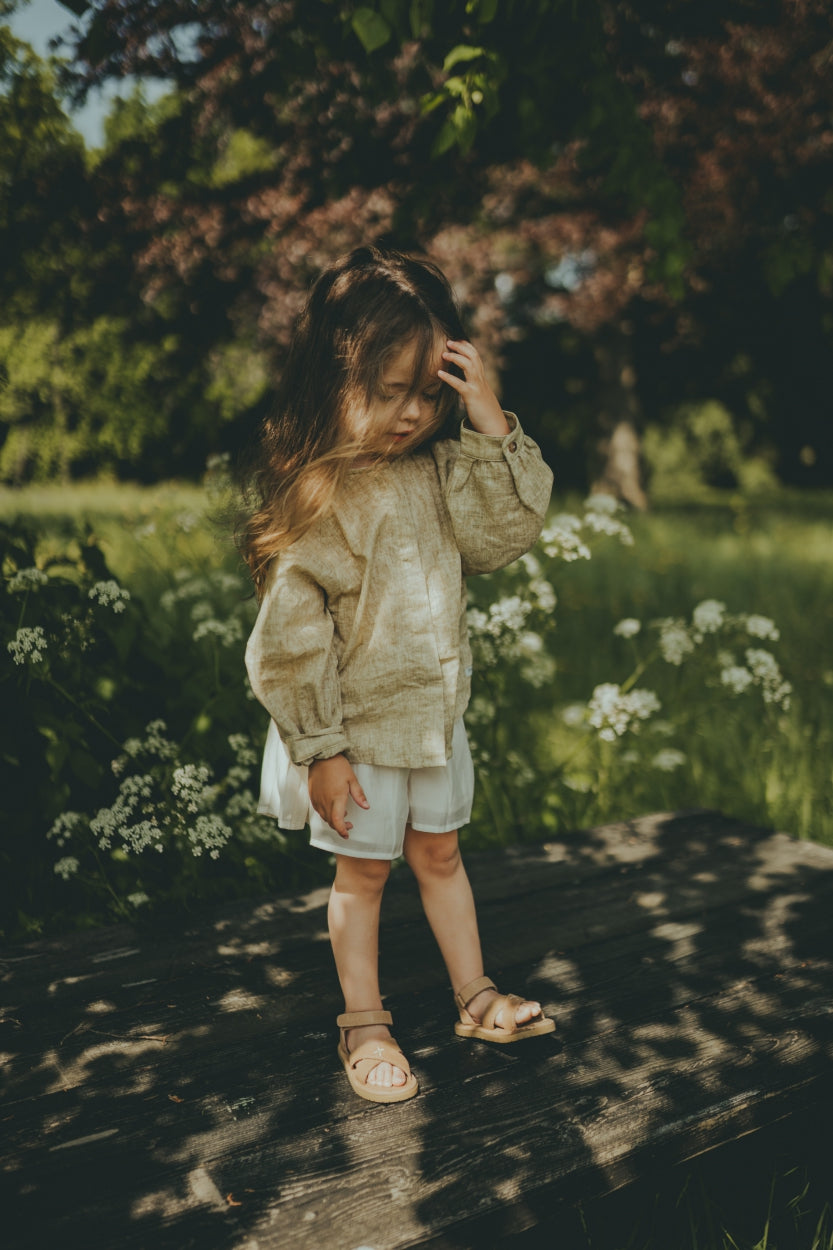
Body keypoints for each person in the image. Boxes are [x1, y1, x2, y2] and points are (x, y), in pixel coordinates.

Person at [241, 245, 555, 1104]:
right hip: (355, 730)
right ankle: (363, 1020)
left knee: (441, 853)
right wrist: (319, 746)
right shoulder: (323, 494)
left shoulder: (444, 472)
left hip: (430, 719)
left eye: (428, 391)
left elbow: (504, 535)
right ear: (332, 381)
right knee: (365, 874)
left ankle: (473, 992)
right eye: (388, 391)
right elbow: (290, 638)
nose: (411, 413)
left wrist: (488, 419)